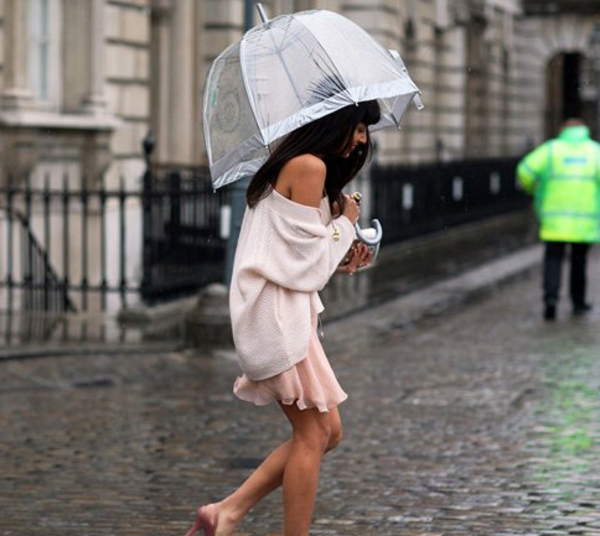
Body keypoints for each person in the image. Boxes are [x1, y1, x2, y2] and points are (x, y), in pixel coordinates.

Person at [184, 99, 380, 536]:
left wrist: (343, 253)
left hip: (285, 309)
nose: (364, 139)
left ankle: (227, 512)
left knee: (329, 432)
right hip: (274, 316)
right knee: (313, 435)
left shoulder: (303, 165)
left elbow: (303, 257)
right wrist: (345, 223)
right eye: (360, 126)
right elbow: (307, 263)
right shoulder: (308, 165)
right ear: (336, 123)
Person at [517, 118, 600, 321]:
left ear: (563, 130)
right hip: (584, 219)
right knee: (579, 262)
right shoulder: (595, 151)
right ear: (584, 130)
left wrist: (533, 189)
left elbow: (524, 171)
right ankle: (578, 301)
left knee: (553, 259)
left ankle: (551, 300)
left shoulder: (551, 149)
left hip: (554, 218)